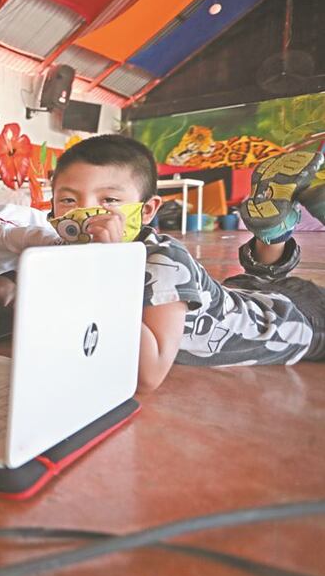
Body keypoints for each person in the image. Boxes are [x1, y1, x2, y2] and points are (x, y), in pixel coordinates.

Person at [50, 134, 324, 393]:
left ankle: (278, 229)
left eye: (108, 200)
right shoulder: (62, 252)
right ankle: (273, 232)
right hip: (244, 293)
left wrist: (106, 268)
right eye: (68, 200)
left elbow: (148, 375)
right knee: (256, 283)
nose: (83, 214)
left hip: (296, 320)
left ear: (147, 210)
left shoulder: (163, 262)